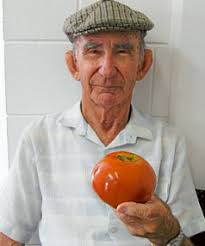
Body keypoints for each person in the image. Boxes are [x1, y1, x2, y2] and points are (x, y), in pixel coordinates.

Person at [0, 0, 205, 245]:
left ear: (143, 64)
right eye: (94, 51)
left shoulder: (168, 143)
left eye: (122, 51)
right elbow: (9, 237)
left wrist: (168, 233)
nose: (107, 70)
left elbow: (188, 240)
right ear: (74, 64)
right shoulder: (39, 138)